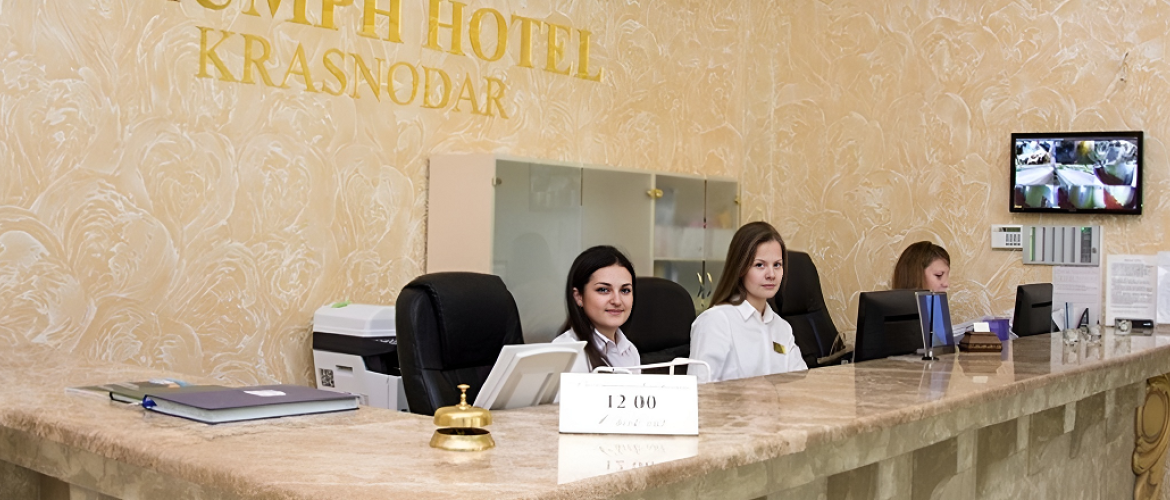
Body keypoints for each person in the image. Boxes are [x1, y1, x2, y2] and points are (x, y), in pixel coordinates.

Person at [689, 222, 807, 383]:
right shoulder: (716, 322)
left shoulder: (782, 328)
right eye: (760, 265)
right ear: (740, 269)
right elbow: (699, 390)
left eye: (777, 265)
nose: (771, 274)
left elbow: (801, 384)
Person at [552, 245, 641, 373]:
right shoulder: (565, 353)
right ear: (578, 296)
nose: (617, 301)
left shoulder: (630, 351)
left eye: (625, 290)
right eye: (603, 290)